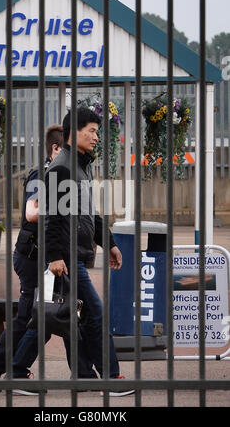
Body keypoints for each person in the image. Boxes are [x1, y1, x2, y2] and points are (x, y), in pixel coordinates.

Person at [0, 124, 95, 394]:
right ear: (56, 149)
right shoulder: (41, 175)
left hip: (46, 256)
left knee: (62, 313)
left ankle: (80, 372)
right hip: (32, 257)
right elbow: (32, 213)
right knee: (36, 319)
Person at [44, 107, 135, 397]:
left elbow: (91, 213)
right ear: (75, 132)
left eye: (97, 131)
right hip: (67, 257)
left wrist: (109, 243)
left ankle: (83, 374)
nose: (97, 136)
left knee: (76, 317)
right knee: (94, 312)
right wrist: (55, 256)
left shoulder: (82, 166)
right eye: (92, 131)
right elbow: (51, 217)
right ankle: (111, 375)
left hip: (80, 253)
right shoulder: (61, 167)